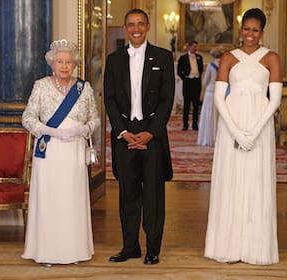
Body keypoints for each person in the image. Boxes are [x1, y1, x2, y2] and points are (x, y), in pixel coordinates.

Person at [204, 8, 282, 265]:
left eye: (255, 30)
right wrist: (237, 132)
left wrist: (255, 131)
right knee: (231, 179)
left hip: (260, 126)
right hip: (232, 124)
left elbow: (275, 100)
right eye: (246, 29)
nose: (250, 34)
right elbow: (218, 98)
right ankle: (227, 245)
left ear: (262, 31)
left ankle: (256, 248)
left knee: (255, 181)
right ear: (241, 29)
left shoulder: (271, 58)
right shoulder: (228, 57)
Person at [104, 9, 175, 265]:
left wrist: (150, 132)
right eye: (131, 24)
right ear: (125, 28)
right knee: (128, 194)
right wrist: (123, 132)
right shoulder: (113, 60)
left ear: (147, 27)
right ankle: (130, 247)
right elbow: (109, 99)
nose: (136, 29)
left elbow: (168, 99)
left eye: (140, 24)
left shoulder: (163, 57)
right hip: (124, 135)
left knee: (154, 195)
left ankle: (153, 249)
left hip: (152, 136)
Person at [21, 39, 100, 266]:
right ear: (52, 64)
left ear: (74, 64)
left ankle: (74, 251)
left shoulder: (83, 88)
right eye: (59, 62)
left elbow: (94, 118)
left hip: (74, 150)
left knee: (71, 200)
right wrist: (47, 130)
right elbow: (27, 118)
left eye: (68, 62)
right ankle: (47, 252)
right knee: (50, 199)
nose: (64, 66)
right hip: (49, 151)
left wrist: (83, 129)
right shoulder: (41, 85)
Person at [197, 47, 225, 146]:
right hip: (221, 92)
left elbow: (205, 81)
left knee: (209, 115)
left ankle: (209, 138)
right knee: (219, 115)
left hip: (211, 92)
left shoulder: (210, 65)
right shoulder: (224, 65)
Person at [177, 40, 204, 130]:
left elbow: (201, 70)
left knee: (196, 106)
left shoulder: (199, 57)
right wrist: (185, 78)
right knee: (187, 105)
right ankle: (185, 125)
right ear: (189, 47)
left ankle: (195, 125)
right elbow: (179, 71)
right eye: (194, 46)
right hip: (188, 83)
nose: (196, 48)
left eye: (196, 47)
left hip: (196, 83)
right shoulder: (183, 58)